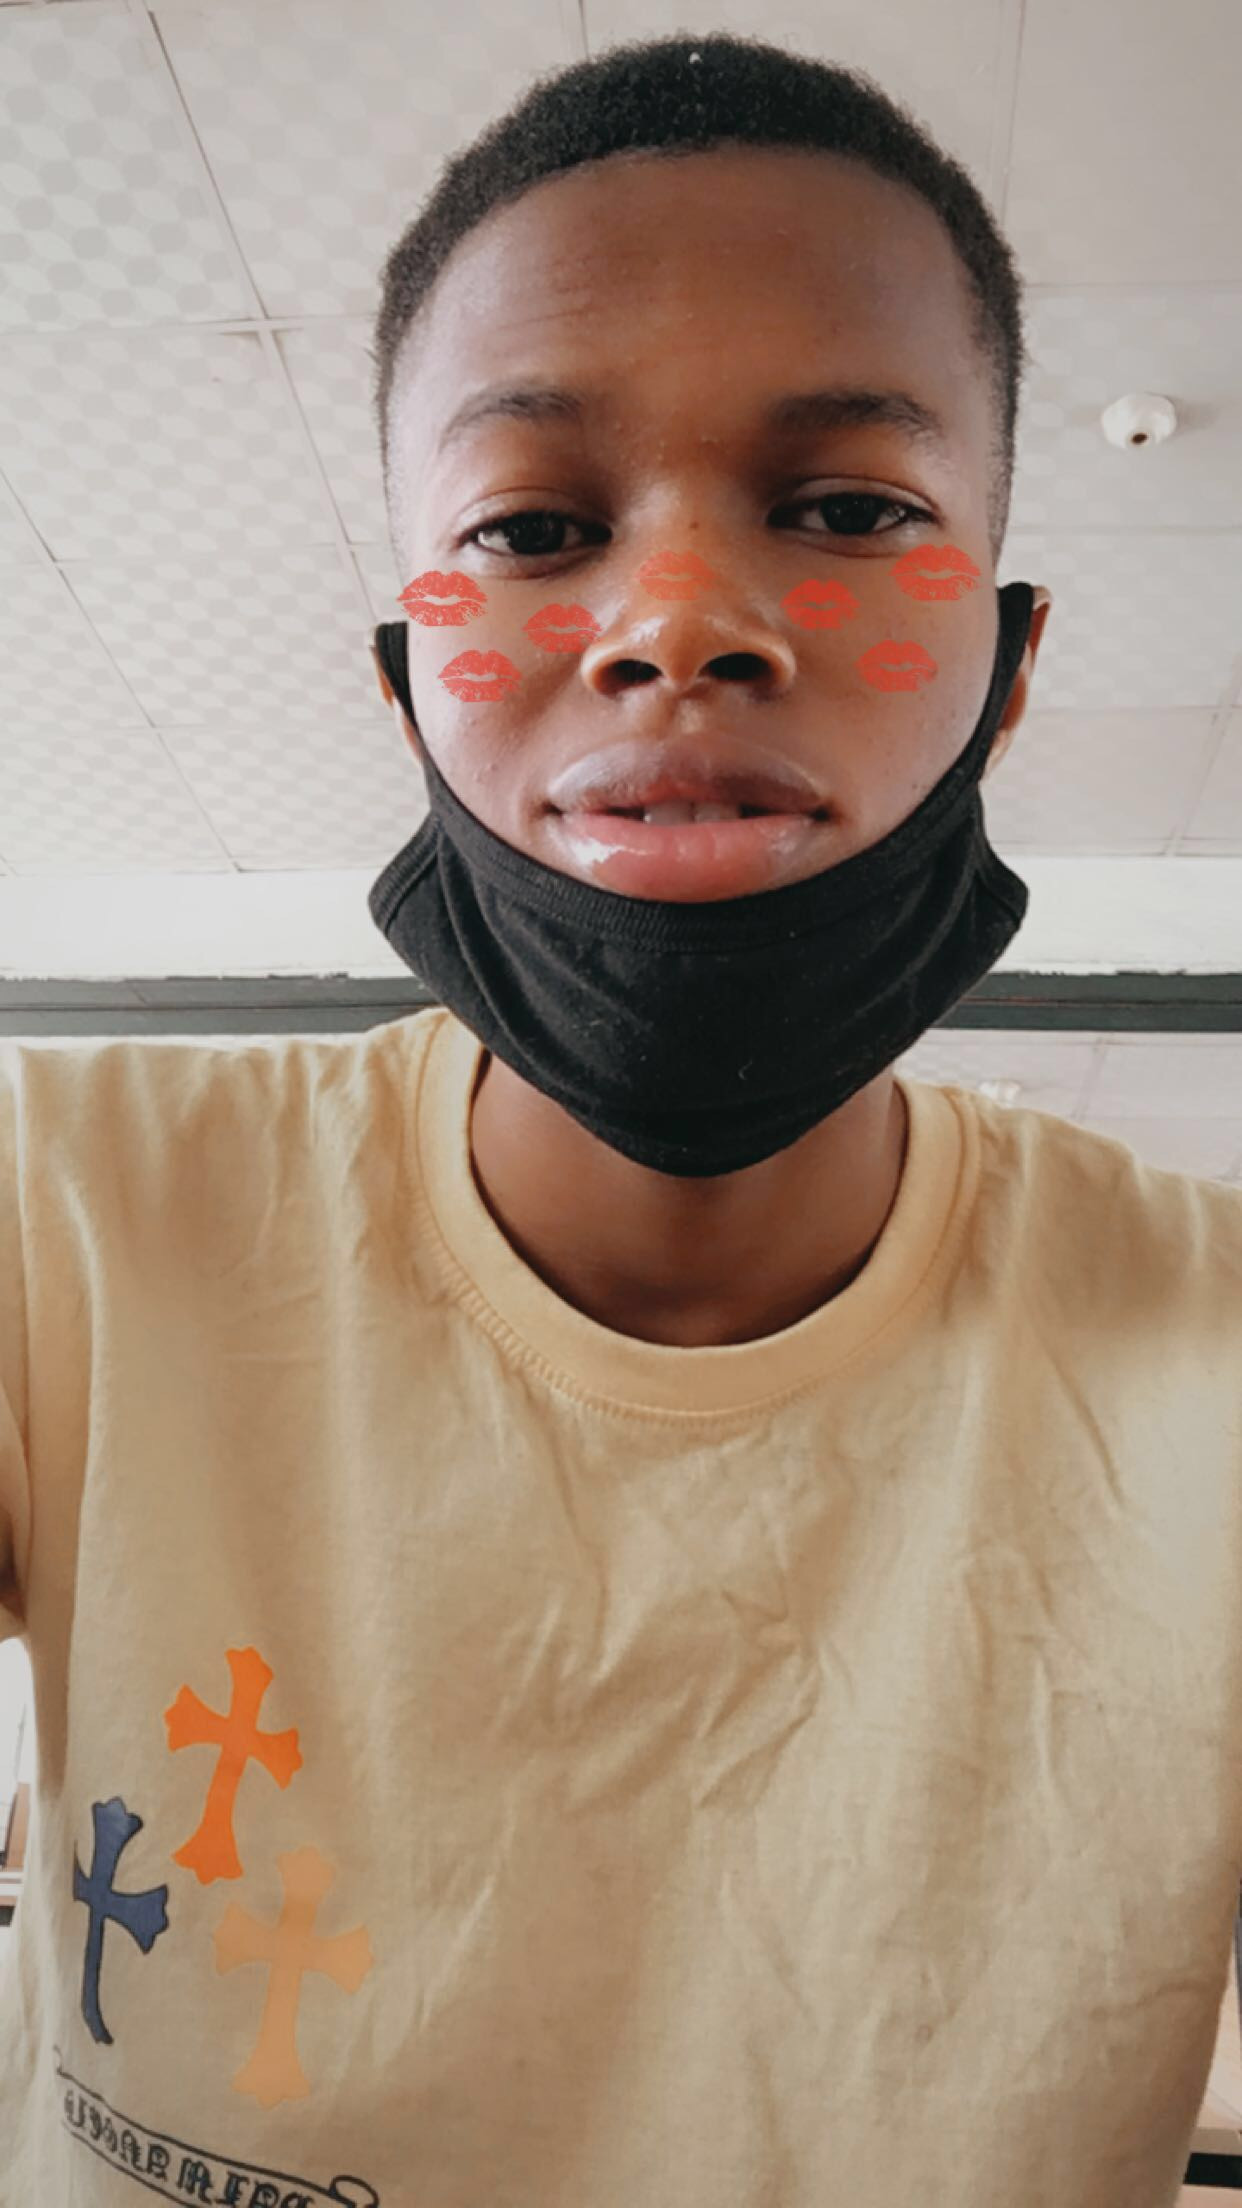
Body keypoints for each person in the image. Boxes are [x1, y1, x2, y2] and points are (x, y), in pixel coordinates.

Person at [1, 32, 1240, 2208]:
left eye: (847, 509)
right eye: (533, 528)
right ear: (406, 682)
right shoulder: (62, 1220)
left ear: (1011, 663)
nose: (679, 624)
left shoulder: (1213, 1365)